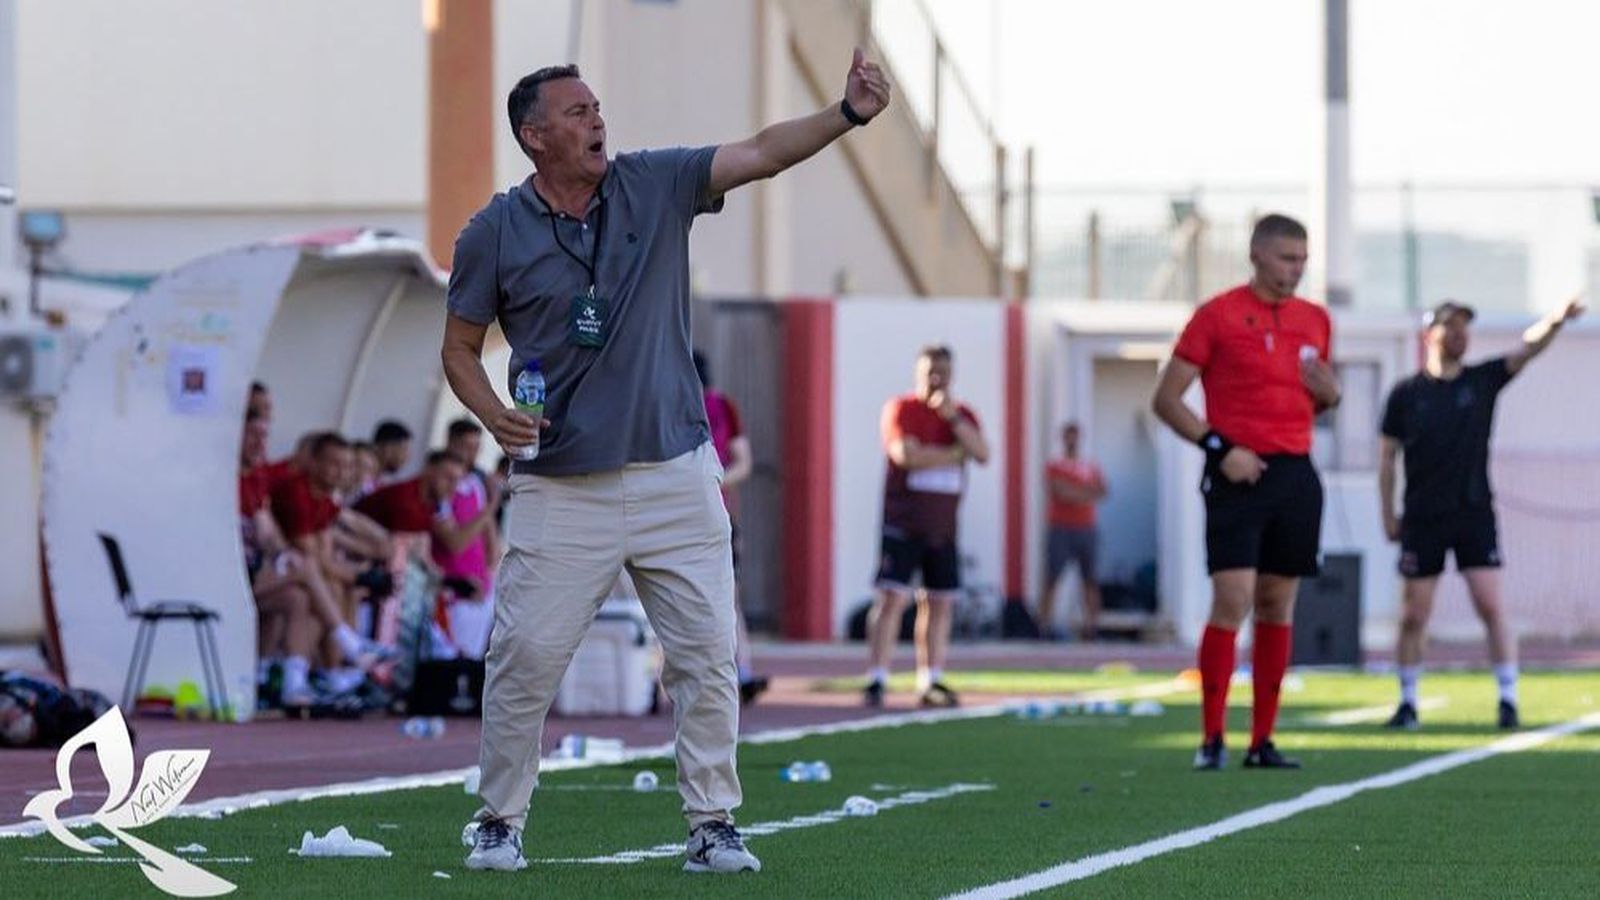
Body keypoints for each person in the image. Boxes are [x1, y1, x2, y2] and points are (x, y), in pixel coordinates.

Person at [440, 54, 891, 874]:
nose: (597, 122)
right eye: (576, 113)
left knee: (707, 654)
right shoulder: (491, 233)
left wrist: (846, 114)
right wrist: (487, 408)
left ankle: (712, 823)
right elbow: (460, 348)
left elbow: (761, 152)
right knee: (524, 659)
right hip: (558, 483)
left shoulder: (655, 183)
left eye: (598, 107)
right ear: (533, 137)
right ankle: (499, 820)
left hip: (676, 474)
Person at [1151, 213, 1341, 771]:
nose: (1296, 270)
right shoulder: (1217, 315)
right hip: (1236, 472)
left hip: (1295, 474)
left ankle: (1263, 741)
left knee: (1278, 604)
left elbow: (1320, 397)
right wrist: (1219, 448)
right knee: (1233, 598)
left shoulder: (1316, 320)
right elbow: (1166, 399)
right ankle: (1212, 737)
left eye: (1303, 259)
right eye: (1286, 258)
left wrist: (1332, 397)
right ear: (1257, 255)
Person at [1379, 297, 1585, 731]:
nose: (1459, 335)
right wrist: (1388, 514)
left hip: (1473, 512)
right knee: (1414, 613)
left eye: (1464, 327)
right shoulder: (1406, 394)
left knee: (1491, 606)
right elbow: (1386, 460)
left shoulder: (1482, 381)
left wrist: (1555, 320)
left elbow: (1527, 350)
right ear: (1429, 334)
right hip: (1423, 516)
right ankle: (1407, 701)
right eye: (1450, 326)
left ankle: (1508, 698)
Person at [863, 345, 990, 709]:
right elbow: (907, 456)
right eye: (930, 372)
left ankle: (930, 678)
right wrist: (953, 454)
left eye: (943, 373)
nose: (937, 379)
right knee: (891, 599)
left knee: (938, 603)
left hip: (943, 527)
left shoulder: (962, 415)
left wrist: (953, 422)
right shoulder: (902, 409)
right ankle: (877, 676)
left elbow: (982, 453)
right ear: (919, 373)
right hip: (904, 523)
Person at [694, 350, 769, 704]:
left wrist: (714, 480)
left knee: (728, 596)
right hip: (673, 517)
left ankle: (742, 671)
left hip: (718, 516)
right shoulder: (663, 405)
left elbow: (743, 461)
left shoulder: (722, 407)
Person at [1039, 422, 1108, 641]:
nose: (1072, 441)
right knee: (1052, 577)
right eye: (1069, 436)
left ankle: (1092, 627)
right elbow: (1059, 492)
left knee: (1090, 579)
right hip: (1060, 527)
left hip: (1086, 528)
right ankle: (1044, 625)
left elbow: (1102, 491)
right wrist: (1083, 493)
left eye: (1075, 436)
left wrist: (1076, 493)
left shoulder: (1090, 466)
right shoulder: (1055, 466)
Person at [371, 420, 414, 484]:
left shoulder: (380, 484)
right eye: (403, 449)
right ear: (383, 447)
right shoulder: (360, 482)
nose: (408, 456)